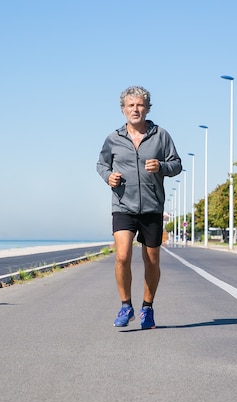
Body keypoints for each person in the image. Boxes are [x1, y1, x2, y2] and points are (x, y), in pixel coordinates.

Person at [97, 86, 182, 329]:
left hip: (152, 207)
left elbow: (176, 164)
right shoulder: (113, 138)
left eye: (140, 105)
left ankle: (147, 308)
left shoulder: (161, 135)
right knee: (122, 255)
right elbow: (101, 164)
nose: (136, 109)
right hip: (123, 205)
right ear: (123, 109)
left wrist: (162, 167)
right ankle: (126, 306)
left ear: (147, 108)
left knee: (151, 260)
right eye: (131, 105)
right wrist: (108, 177)